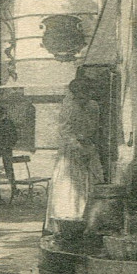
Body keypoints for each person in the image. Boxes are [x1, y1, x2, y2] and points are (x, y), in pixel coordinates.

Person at [44, 73, 104, 234]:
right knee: (70, 185)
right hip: (71, 151)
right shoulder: (69, 106)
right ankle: (67, 223)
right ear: (75, 95)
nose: (84, 98)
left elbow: (95, 128)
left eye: (87, 94)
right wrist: (77, 146)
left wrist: (89, 146)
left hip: (88, 148)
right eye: (80, 96)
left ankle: (88, 221)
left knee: (90, 183)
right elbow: (65, 131)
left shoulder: (93, 106)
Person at [0, 104, 18, 198]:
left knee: (9, 169)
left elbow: (14, 136)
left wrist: (8, 145)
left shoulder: (8, 123)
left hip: (6, 149)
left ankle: (13, 188)